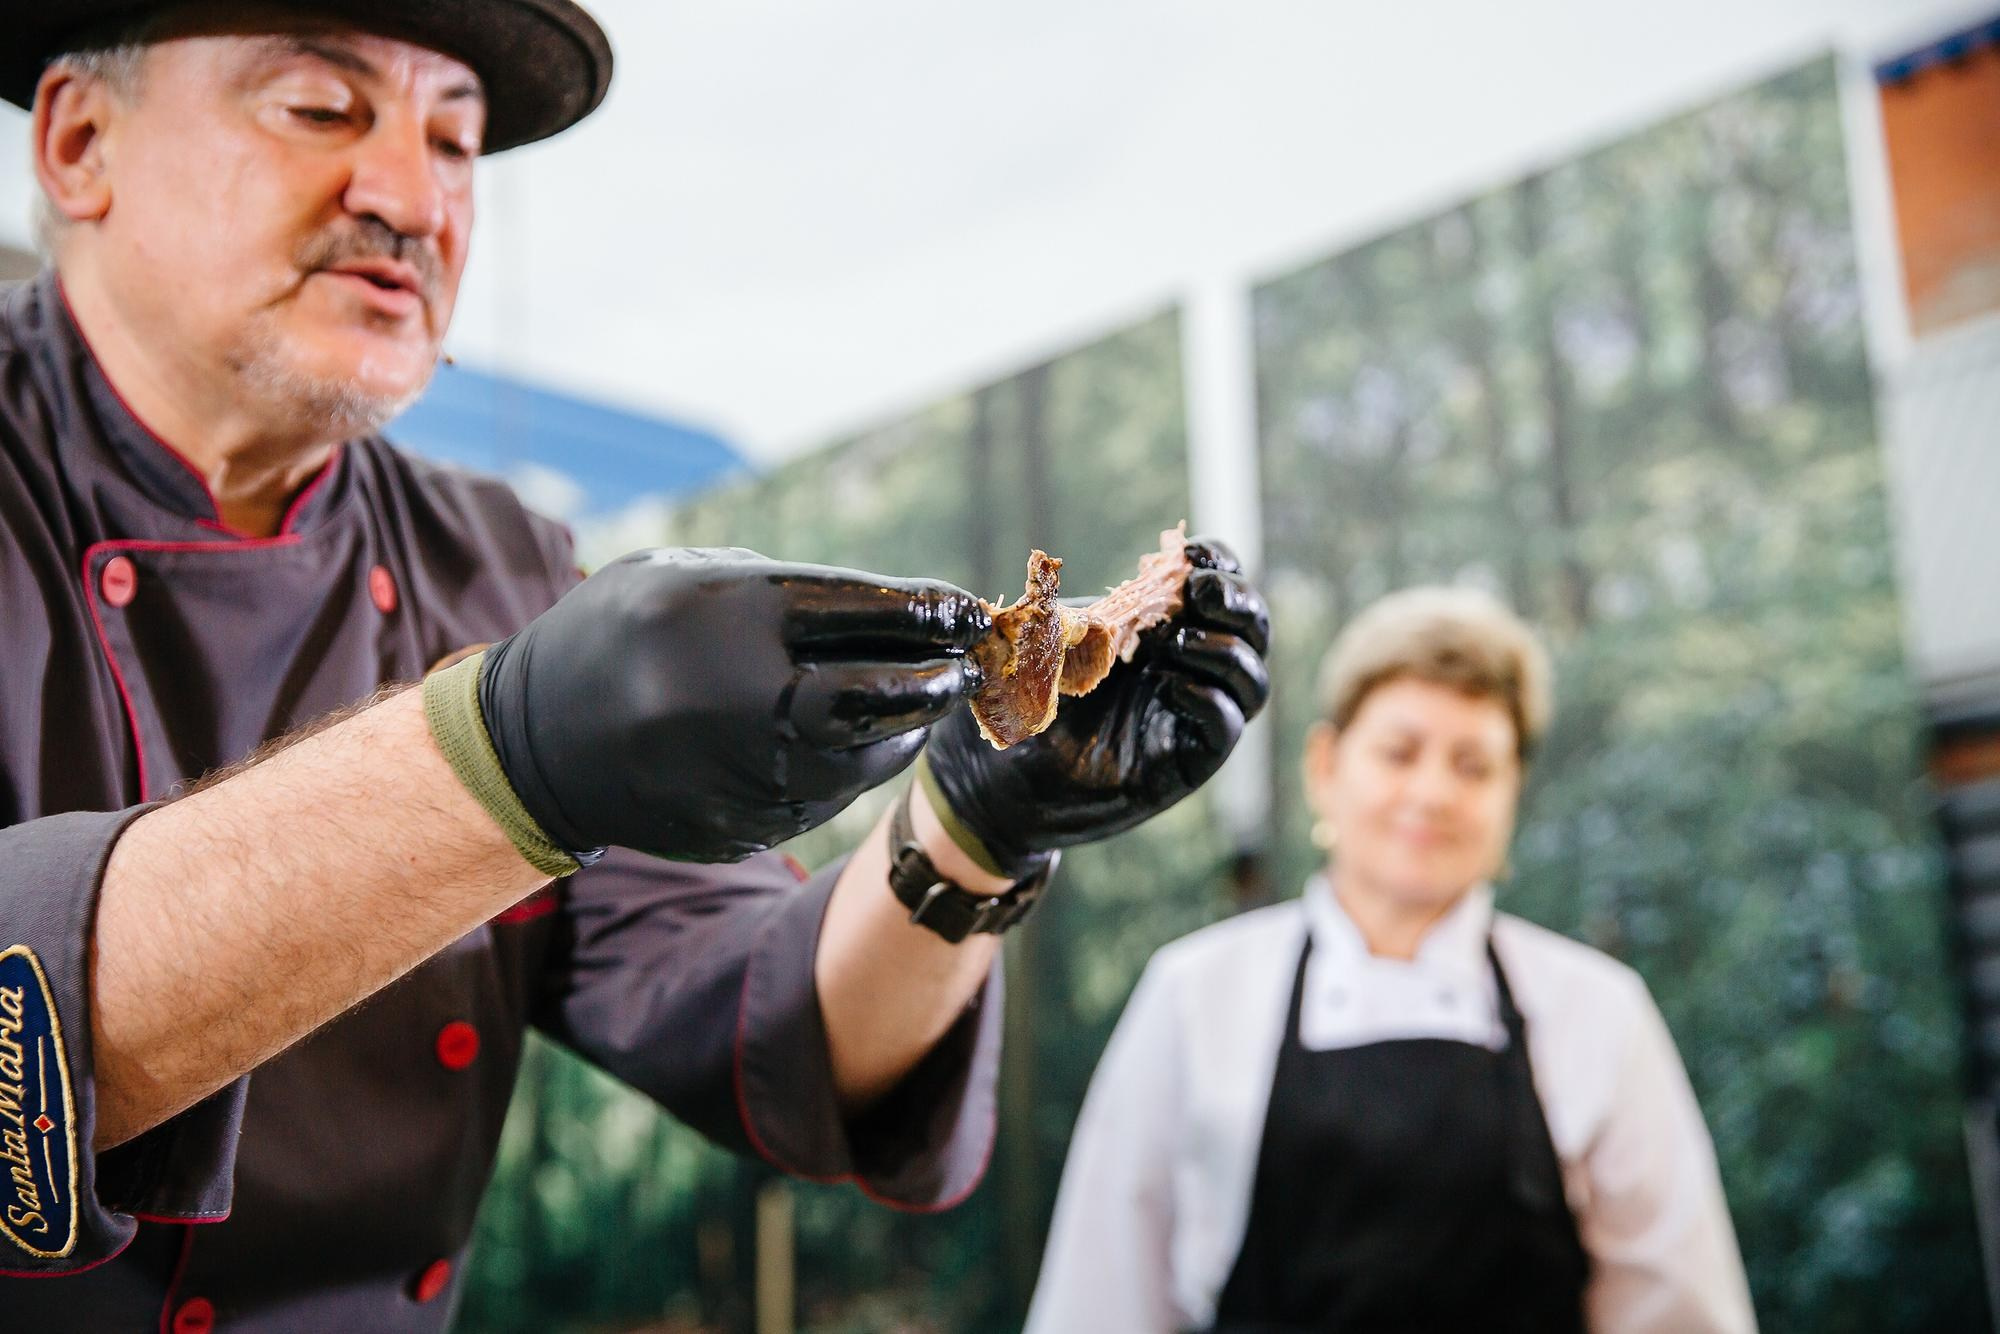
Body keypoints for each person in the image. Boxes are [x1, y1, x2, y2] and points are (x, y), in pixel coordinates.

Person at [0, 2, 1273, 1328]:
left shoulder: (492, 559)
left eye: (456, 142)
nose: (407, 195)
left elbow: (762, 1015)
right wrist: (505, 754)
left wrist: (974, 820)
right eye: (321, 108)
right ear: (81, 144)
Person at [1026, 586, 1752, 1333]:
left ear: (1513, 793)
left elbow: (1679, 1314)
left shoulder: (1600, 1011)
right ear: (1326, 767)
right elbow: (1100, 1302)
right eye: (1399, 752)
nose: (1432, 792)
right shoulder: (1194, 994)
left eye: (1473, 765)